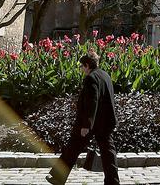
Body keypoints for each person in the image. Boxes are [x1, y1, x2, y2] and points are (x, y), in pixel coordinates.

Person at [48, 52, 119, 185]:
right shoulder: (105, 75)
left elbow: (92, 102)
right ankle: (113, 182)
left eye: (82, 66)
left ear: (87, 65)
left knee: (73, 147)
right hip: (105, 122)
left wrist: (86, 125)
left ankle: (58, 177)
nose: (81, 69)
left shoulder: (91, 78)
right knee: (108, 153)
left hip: (91, 123)